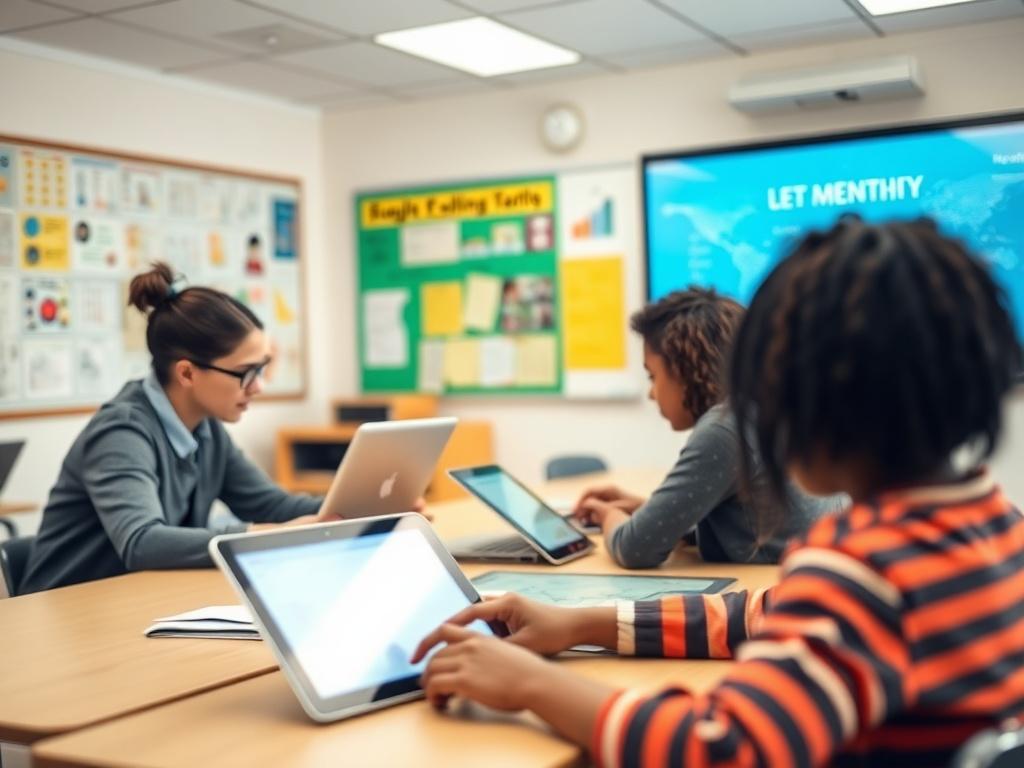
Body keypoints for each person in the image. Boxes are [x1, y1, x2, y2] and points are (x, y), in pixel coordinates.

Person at [414, 218, 1024, 766]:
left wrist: (532, 685)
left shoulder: (862, 569)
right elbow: (761, 614)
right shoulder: (999, 522)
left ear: (825, 393)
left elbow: (719, 749)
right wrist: (579, 625)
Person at [21, 263, 331, 593]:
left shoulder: (207, 430)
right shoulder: (121, 432)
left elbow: (273, 506)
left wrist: (358, 502)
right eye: (246, 373)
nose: (258, 387)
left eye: (262, 370)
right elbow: (142, 542)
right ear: (186, 374)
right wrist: (261, 535)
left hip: (138, 603)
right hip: (64, 613)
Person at [574, 288, 844, 566]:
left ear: (683, 369)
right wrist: (646, 511)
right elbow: (751, 524)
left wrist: (606, 515)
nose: (651, 393)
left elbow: (634, 548)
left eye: (652, 375)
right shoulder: (765, 407)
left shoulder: (725, 428)